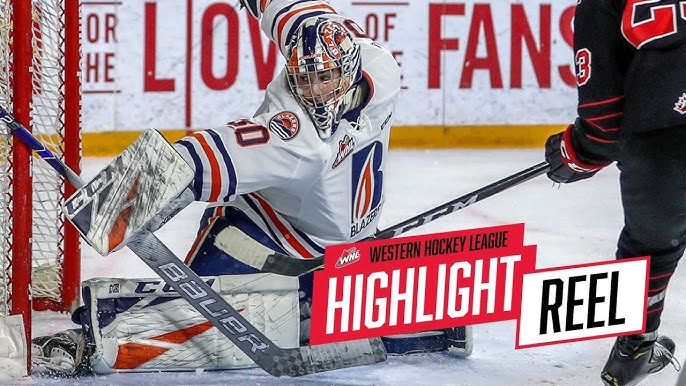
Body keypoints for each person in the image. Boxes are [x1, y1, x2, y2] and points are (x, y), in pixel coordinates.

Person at [30, 0, 468, 375]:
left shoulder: (380, 65)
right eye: (303, 78)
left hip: (339, 246)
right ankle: (88, 343)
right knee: (182, 325)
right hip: (257, 236)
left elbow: (292, 9)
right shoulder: (294, 136)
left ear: (350, 68)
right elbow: (198, 158)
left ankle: (318, 303)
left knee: (421, 325)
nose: (313, 91)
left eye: (325, 78)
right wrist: (118, 201)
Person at [543, 0, 685, 385]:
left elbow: (603, 125)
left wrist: (577, 152)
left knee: (650, 249)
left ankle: (633, 350)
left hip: (664, 142)